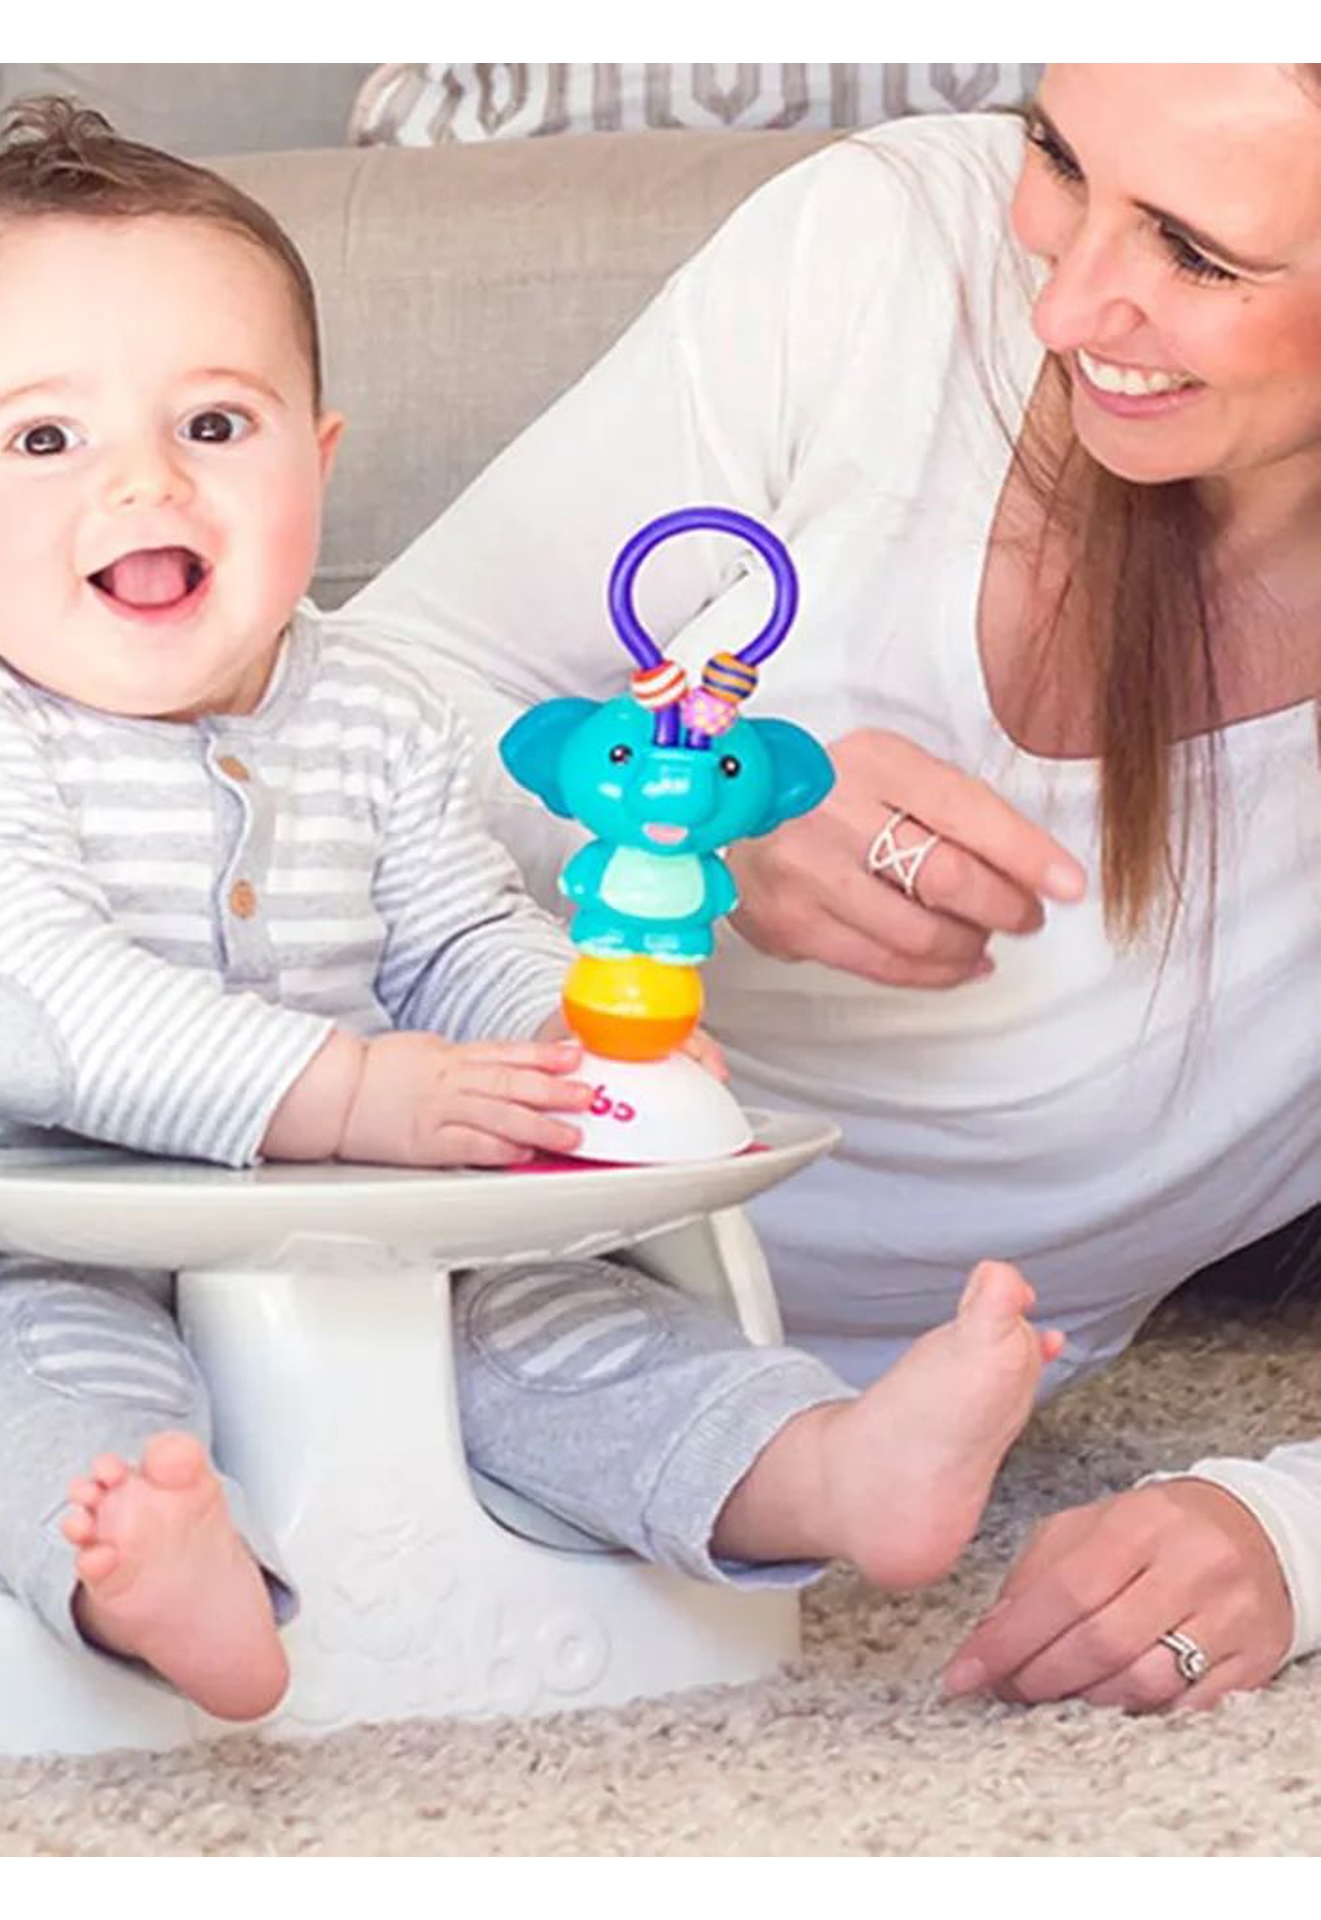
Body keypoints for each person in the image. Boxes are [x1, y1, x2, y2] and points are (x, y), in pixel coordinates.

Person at [0, 99, 1061, 1722]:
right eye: (46, 441)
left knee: (562, 1325)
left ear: (317, 460)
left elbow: (454, 931)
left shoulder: (373, 712)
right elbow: (23, 1010)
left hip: (342, 1225)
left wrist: (572, 1040)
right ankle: (156, 1578)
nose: (144, 481)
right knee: (50, 1383)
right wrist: (352, 1093)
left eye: (215, 424)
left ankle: (822, 1469)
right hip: (13, 1222)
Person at [339, 63, 1321, 1715]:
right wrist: (672, 824)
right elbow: (352, 715)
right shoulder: (895, 254)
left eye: (1199, 255)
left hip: (787, 1393)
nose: (1062, 302)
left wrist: (1288, 1533)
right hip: (376, 1159)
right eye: (1059, 158)